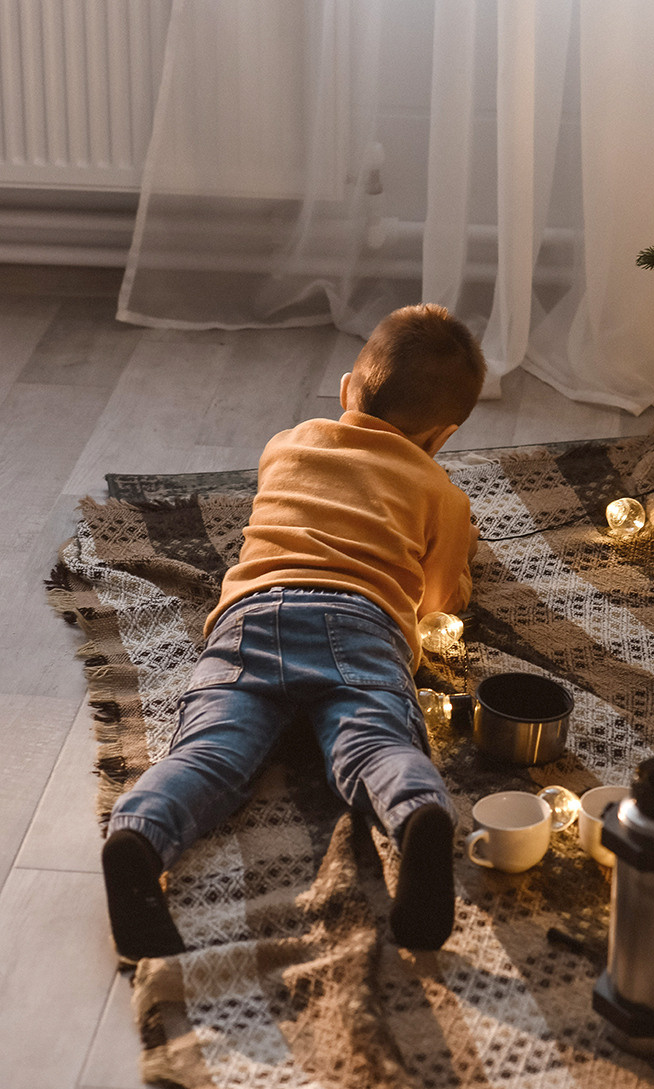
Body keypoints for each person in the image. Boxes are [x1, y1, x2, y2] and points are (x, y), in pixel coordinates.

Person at [101, 304, 486, 960]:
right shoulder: (440, 492)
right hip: (360, 625)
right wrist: (462, 556)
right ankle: (417, 812)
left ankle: (138, 837)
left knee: (209, 753)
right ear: (442, 436)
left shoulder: (286, 445)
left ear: (346, 390)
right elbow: (438, 601)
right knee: (373, 741)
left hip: (253, 616)